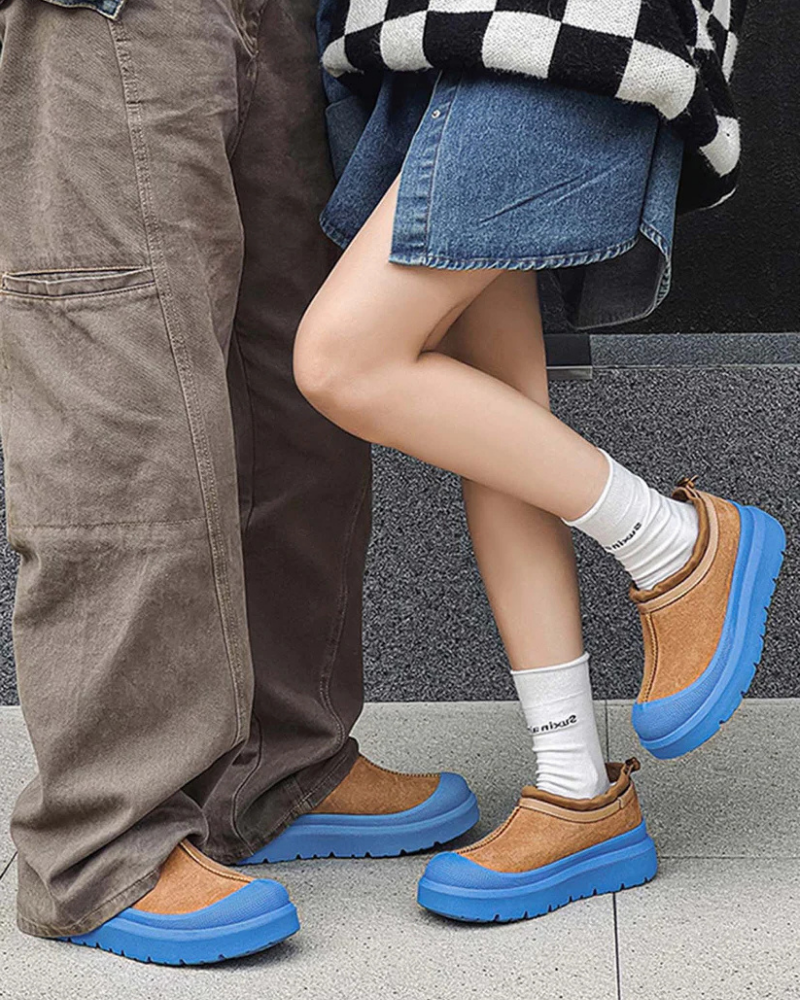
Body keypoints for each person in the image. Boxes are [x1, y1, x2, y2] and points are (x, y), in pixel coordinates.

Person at [0, 0, 478, 966]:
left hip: (286, 18)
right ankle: (103, 837)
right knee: (121, 395)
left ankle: (275, 769)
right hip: (103, 19)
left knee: (296, 392)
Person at [294, 0, 786, 923]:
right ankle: (575, 788)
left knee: (343, 359)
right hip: (431, 36)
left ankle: (674, 545)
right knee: (503, 419)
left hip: (547, 24)